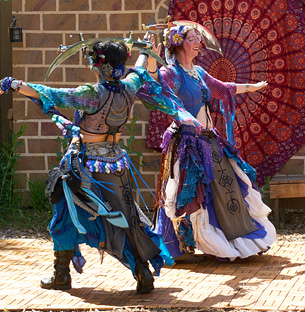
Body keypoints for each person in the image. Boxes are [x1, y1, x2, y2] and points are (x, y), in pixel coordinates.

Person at [0, 39, 197, 294]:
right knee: (127, 217)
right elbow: (138, 71)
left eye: (93, 60)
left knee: (65, 213)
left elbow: (52, 94)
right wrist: (146, 51)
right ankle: (142, 270)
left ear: (99, 65)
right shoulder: (129, 87)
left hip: (86, 166)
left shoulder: (92, 94)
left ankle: (61, 275)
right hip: (116, 163)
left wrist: (15, 84)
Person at [138, 25, 276, 261]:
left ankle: (237, 239)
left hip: (209, 140)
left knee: (228, 186)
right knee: (188, 195)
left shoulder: (198, 72)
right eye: (192, 39)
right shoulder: (173, 73)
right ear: (179, 43)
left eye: (198, 39)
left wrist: (251, 87)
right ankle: (180, 248)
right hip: (188, 142)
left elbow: (223, 89)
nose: (198, 42)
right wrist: (152, 59)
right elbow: (154, 86)